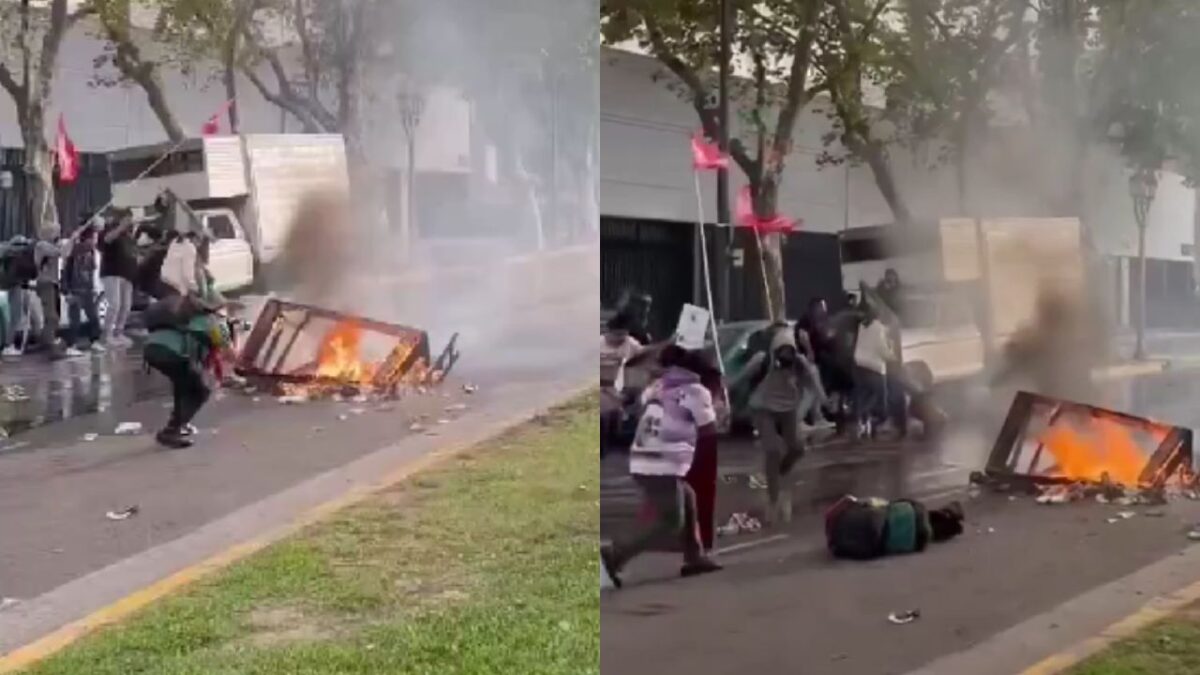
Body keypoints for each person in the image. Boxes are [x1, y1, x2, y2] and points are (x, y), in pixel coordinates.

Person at [601, 345, 722, 588]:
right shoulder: (697, 392)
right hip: (661, 463)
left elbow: (645, 405)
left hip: (642, 456)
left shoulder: (661, 384)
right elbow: (708, 430)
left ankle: (693, 556)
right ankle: (614, 555)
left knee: (687, 496)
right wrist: (720, 409)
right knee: (669, 521)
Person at [732, 322, 816, 524]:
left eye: (789, 349)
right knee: (772, 450)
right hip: (763, 408)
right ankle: (773, 498)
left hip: (787, 408)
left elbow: (813, 378)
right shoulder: (762, 360)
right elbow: (737, 379)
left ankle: (778, 472)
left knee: (797, 447)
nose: (785, 354)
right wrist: (722, 393)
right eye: (781, 349)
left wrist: (808, 345)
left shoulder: (798, 361)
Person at [143, 304, 233, 449]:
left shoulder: (184, 314)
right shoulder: (212, 321)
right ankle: (171, 431)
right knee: (200, 391)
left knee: (183, 386)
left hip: (151, 350)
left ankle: (178, 425)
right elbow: (230, 351)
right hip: (171, 353)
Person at [600, 313, 644, 456]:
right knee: (606, 410)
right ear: (608, 331)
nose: (620, 340)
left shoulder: (631, 344)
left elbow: (645, 355)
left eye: (623, 336)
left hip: (622, 387)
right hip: (602, 387)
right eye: (617, 335)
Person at [61, 225, 105, 356]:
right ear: (86, 239)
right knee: (75, 319)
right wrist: (67, 291)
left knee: (93, 317)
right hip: (75, 289)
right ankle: (71, 345)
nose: (95, 242)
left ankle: (95, 341)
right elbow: (66, 272)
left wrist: (94, 287)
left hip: (87, 290)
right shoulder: (74, 251)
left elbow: (91, 272)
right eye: (93, 238)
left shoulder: (91, 253)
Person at [853, 306, 894, 439]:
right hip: (874, 368)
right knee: (881, 401)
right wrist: (892, 356)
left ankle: (862, 421)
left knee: (865, 396)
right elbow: (882, 349)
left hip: (860, 365)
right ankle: (872, 422)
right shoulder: (878, 328)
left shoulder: (862, 326)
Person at [100, 209, 138, 345]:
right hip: (112, 272)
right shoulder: (110, 230)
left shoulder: (129, 236)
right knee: (114, 304)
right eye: (128, 219)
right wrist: (121, 227)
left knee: (126, 305)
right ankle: (107, 334)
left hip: (127, 274)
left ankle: (119, 332)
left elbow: (133, 253)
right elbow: (106, 239)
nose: (130, 222)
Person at [34, 223, 66, 360]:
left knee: (52, 316)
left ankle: (46, 341)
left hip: (52, 283)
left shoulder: (49, 245)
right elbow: (58, 252)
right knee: (52, 316)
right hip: (45, 283)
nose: (58, 234)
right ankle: (50, 346)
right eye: (55, 231)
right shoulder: (41, 245)